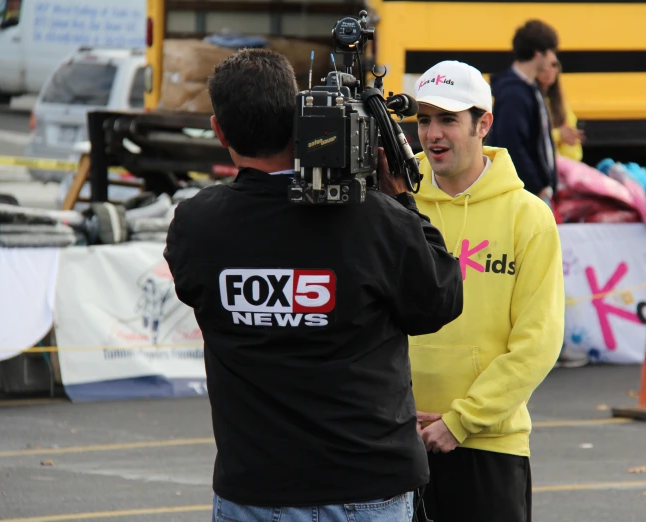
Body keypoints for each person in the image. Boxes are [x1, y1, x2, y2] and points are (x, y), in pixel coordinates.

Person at [164, 48, 464, 522]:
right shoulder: (373, 219)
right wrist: (403, 203)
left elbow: (194, 284)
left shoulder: (197, 225)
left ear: (218, 130)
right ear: (298, 116)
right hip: (368, 486)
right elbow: (441, 298)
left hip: (254, 488)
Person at [410, 60, 565, 522]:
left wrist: (461, 421)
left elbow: (538, 342)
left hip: (490, 445)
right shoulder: (394, 205)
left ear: (484, 124)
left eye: (448, 120)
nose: (433, 133)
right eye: (423, 118)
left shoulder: (528, 216)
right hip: (397, 443)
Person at [486, 19, 559, 206]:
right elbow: (512, 145)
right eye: (551, 52)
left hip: (530, 191)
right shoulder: (514, 94)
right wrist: (537, 185)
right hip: (527, 193)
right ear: (538, 54)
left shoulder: (527, 88)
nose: (553, 59)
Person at [536, 57, 585, 162]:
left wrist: (565, 140)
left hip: (559, 168)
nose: (550, 70)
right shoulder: (526, 102)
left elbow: (575, 155)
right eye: (544, 66)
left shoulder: (561, 106)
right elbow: (528, 140)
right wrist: (559, 135)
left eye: (554, 65)